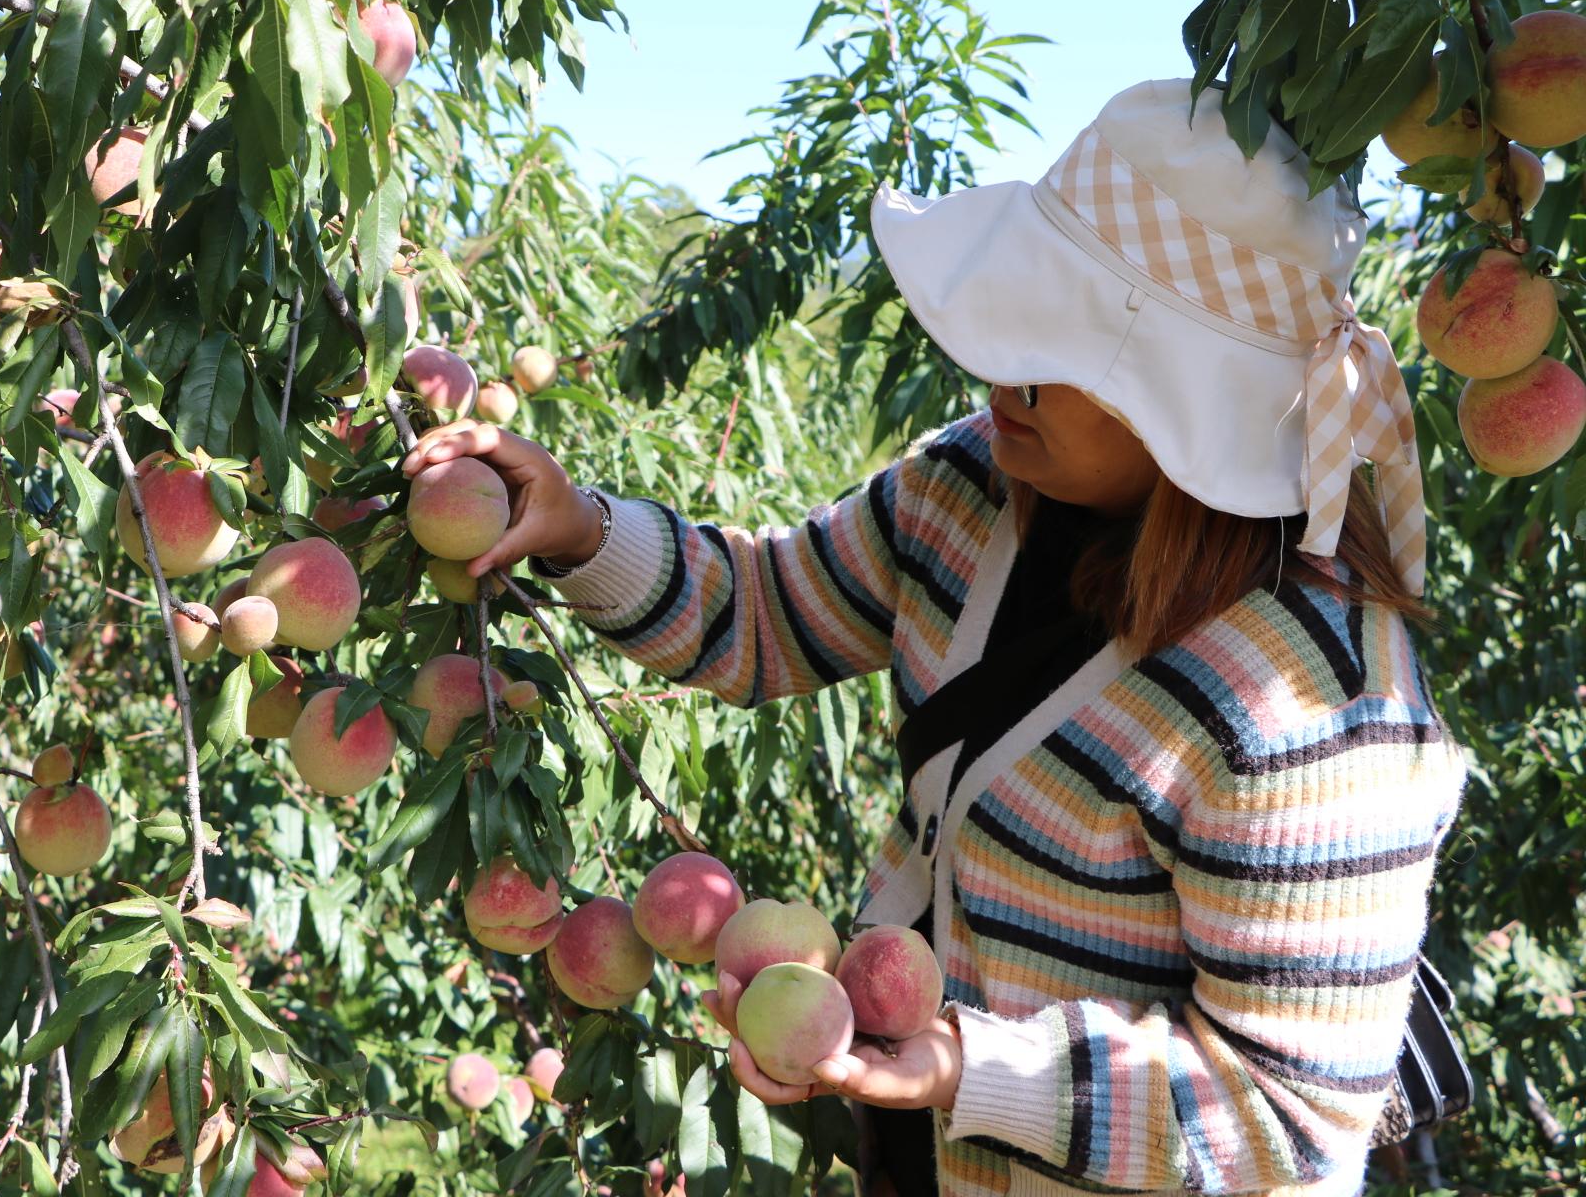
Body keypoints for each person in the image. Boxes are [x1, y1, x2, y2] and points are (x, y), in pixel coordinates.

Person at [399, 79, 1473, 1197]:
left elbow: (1288, 1117)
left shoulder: (1314, 704)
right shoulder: (970, 484)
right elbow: (767, 611)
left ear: (1189, 409)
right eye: (1015, 313)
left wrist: (971, 1065)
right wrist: (577, 527)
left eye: (1055, 344)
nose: (1001, 366)